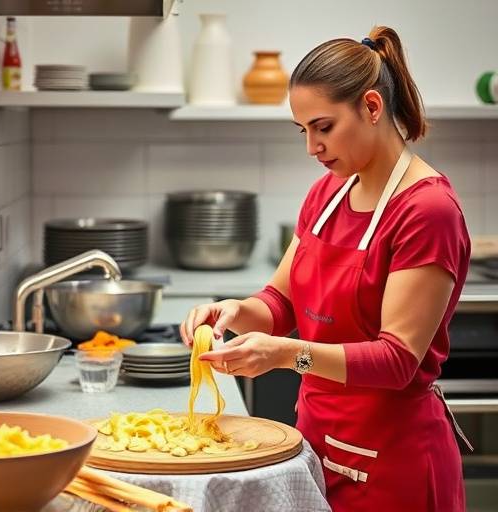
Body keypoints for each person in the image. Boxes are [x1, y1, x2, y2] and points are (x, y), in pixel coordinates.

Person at [180, 26, 471, 512]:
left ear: (372, 107)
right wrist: (232, 312)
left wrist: (283, 355)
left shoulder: (427, 210)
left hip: (394, 462)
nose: (312, 146)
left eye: (324, 126)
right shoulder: (326, 196)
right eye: (303, 130)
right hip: (316, 445)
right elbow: (280, 302)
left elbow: (397, 360)